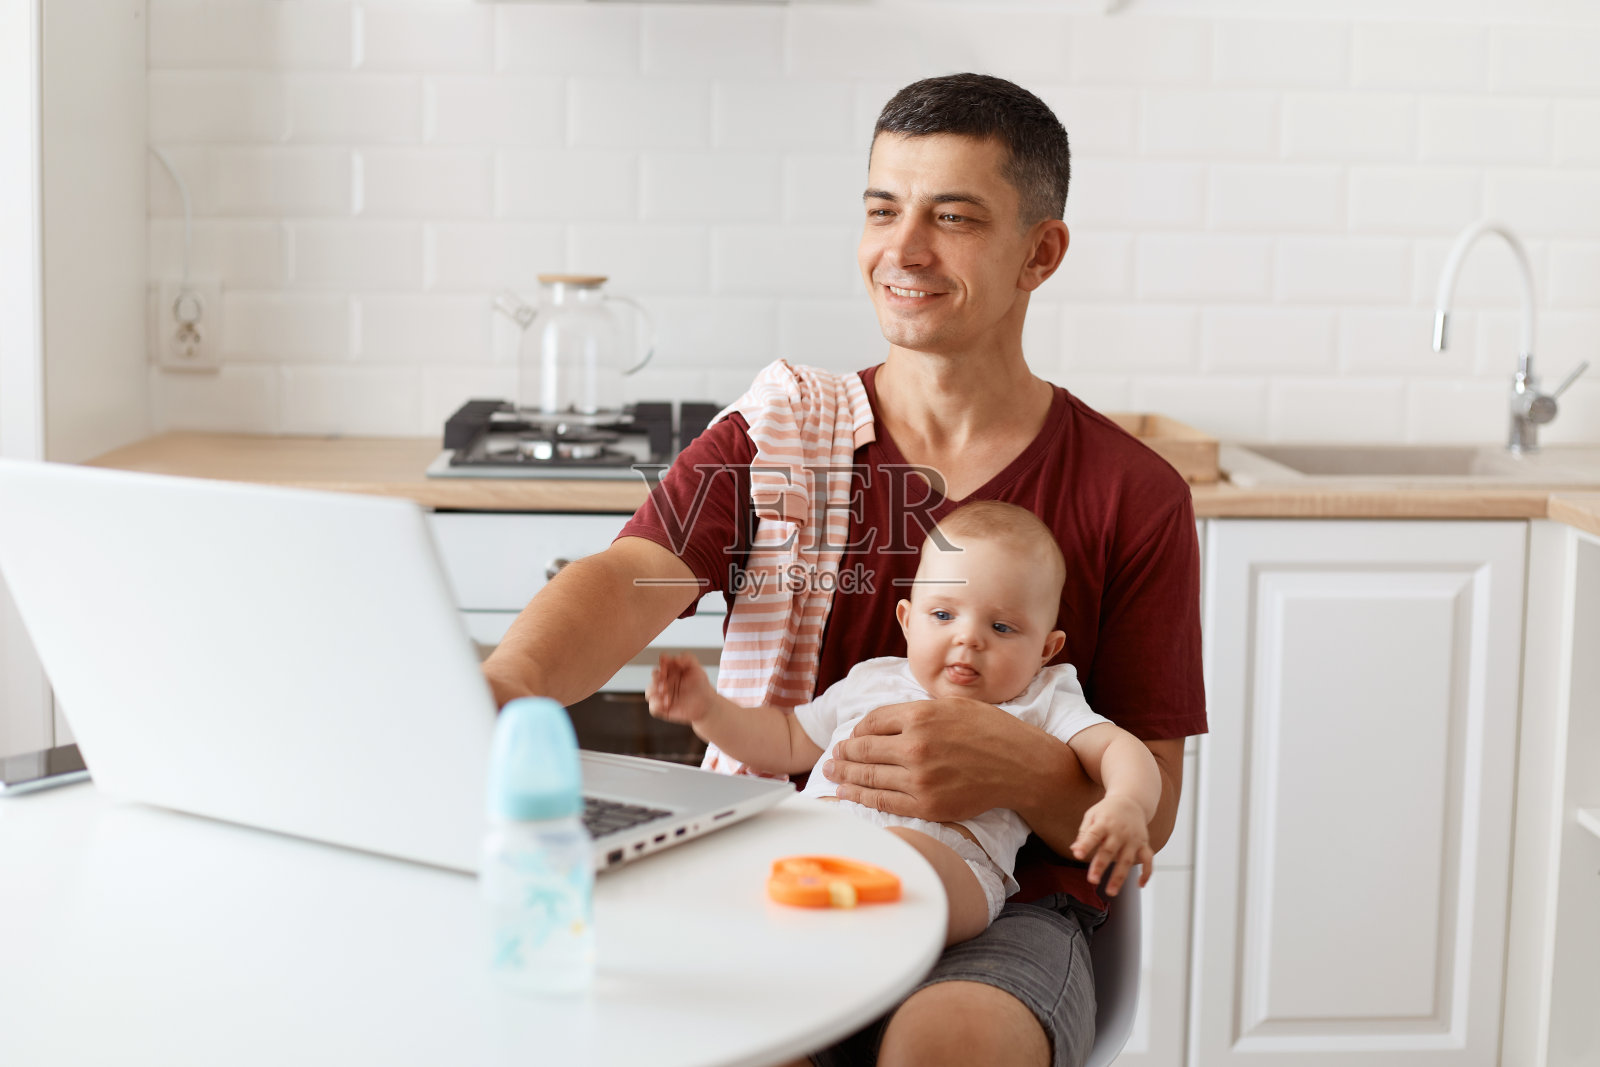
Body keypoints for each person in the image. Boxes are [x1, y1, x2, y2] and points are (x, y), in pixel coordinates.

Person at [482, 72, 1206, 1067]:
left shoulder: (1133, 493)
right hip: (792, 865)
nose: (903, 249)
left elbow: (1149, 808)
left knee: (945, 1048)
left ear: (1040, 253)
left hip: (1006, 909)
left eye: (952, 217)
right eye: (882, 210)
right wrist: (506, 686)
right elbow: (632, 578)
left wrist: (1017, 769)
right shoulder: (782, 435)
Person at [646, 501, 1162, 948]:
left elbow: (1118, 748)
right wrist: (709, 711)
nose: (968, 639)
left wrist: (1126, 801)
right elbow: (784, 740)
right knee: (737, 846)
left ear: (1046, 649)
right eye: (943, 616)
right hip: (815, 855)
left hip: (951, 872)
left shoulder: (1042, 697)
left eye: (1002, 626)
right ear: (906, 621)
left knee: (908, 859)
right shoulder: (873, 680)